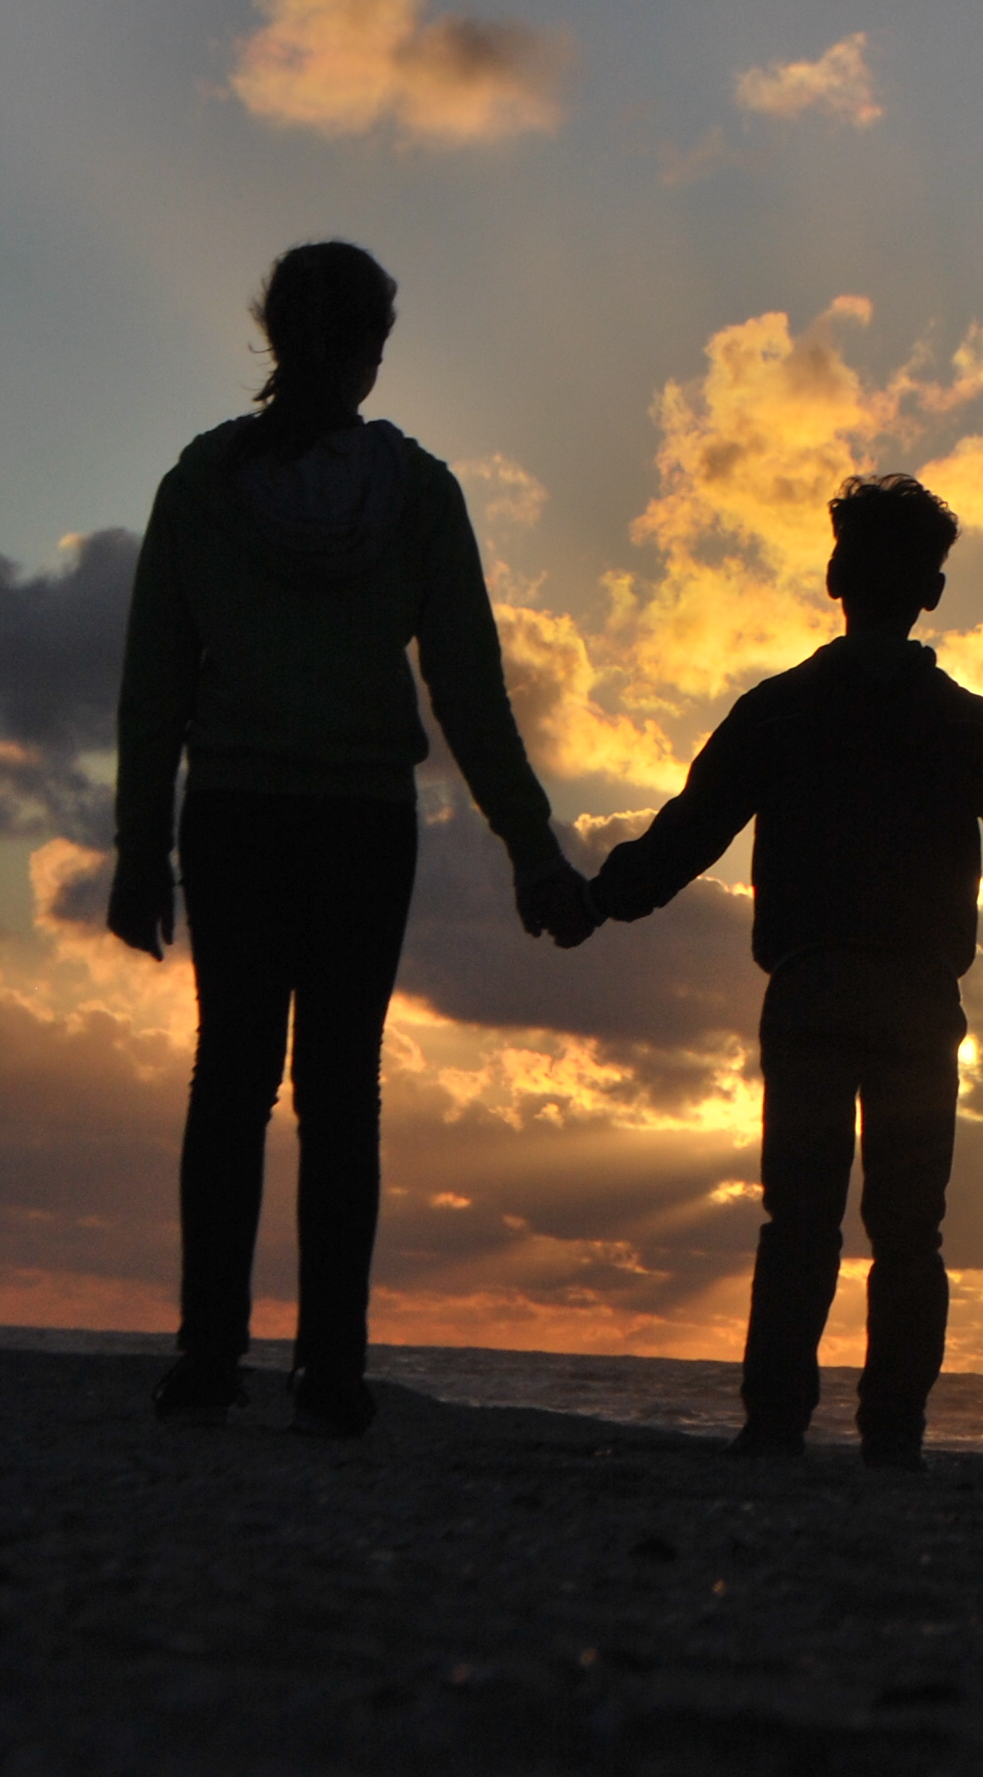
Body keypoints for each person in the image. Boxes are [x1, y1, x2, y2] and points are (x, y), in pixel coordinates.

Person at [110, 240, 591, 1436]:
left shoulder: (201, 485)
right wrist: (532, 851)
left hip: (232, 815)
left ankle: (208, 1358)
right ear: (374, 349)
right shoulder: (417, 494)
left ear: (272, 338)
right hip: (361, 824)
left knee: (231, 1082)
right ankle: (331, 1371)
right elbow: (471, 696)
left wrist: (136, 846)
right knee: (342, 1095)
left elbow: (153, 688)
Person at [574, 473, 983, 1464]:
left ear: (836, 573)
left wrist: (589, 900)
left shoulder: (783, 710)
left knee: (798, 1219)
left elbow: (683, 838)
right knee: (908, 1232)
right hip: (915, 1000)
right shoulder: (965, 724)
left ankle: (776, 1425)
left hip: (813, 985)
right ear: (931, 590)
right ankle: (891, 1435)